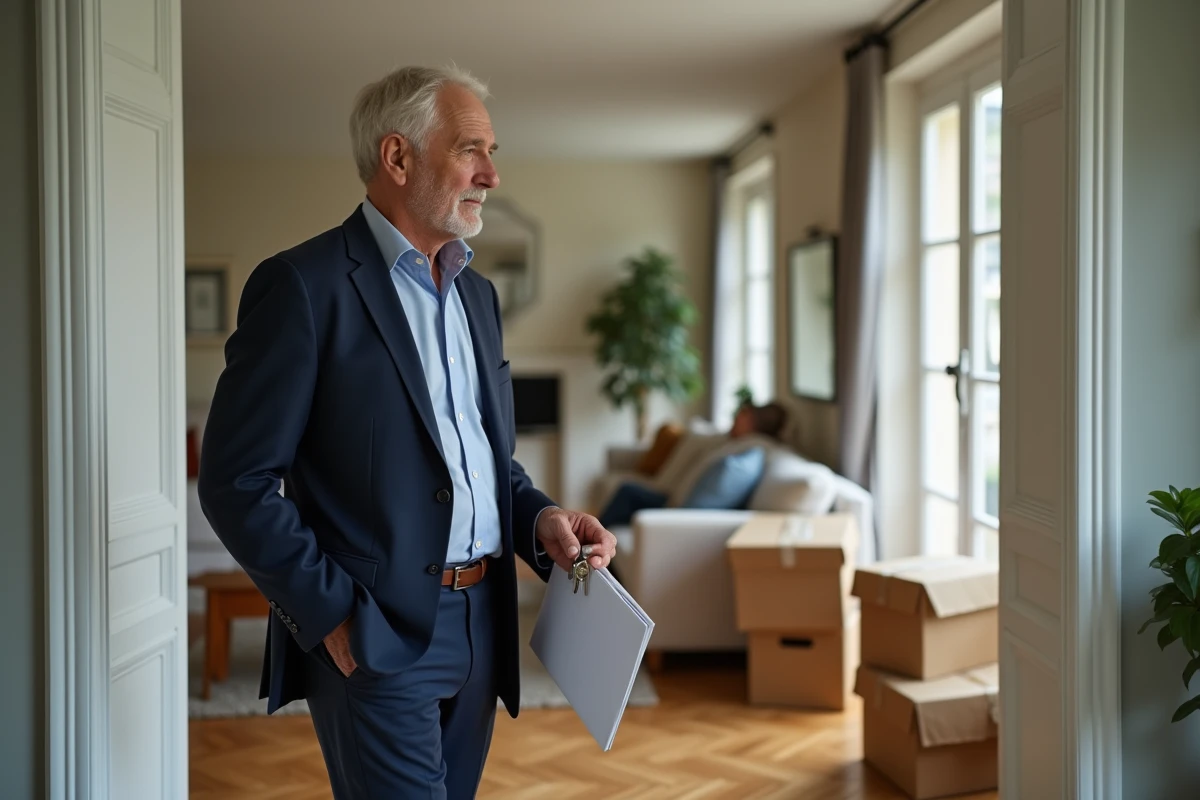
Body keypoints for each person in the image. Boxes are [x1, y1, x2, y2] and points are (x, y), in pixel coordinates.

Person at [197, 65, 617, 800]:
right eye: (471, 150)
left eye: (491, 152)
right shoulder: (302, 287)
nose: (491, 173)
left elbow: (485, 462)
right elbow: (238, 481)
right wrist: (331, 614)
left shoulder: (478, 297)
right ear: (398, 158)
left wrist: (542, 518)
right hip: (376, 635)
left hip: (486, 625)